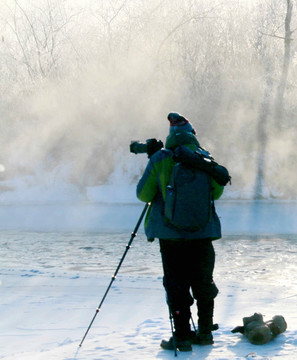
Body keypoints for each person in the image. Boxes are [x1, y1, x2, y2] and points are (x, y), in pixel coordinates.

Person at [136, 112, 224, 352]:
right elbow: (216, 193)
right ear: (193, 135)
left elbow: (143, 194)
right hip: (203, 233)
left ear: (171, 136)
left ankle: (183, 337)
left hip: (171, 236)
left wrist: (154, 161)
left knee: (176, 285)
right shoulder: (204, 158)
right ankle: (205, 333)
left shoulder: (161, 158)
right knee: (203, 281)